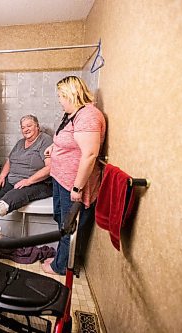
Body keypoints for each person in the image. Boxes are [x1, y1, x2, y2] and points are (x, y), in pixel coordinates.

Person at [42, 76, 106, 275]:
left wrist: (78, 188)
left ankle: (60, 267)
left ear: (70, 94)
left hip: (73, 185)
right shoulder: (74, 114)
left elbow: (90, 154)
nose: (59, 100)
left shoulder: (88, 115)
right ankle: (62, 258)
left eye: (61, 96)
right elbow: (71, 139)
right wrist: (54, 147)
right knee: (62, 223)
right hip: (62, 180)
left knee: (69, 226)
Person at [0, 115, 53, 218]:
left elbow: (50, 168)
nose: (26, 129)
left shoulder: (45, 140)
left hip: (37, 183)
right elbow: (9, 161)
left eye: (29, 126)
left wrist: (28, 181)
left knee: (13, 196)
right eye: (23, 127)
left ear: (37, 126)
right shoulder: (20, 143)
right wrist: (1, 177)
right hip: (14, 180)